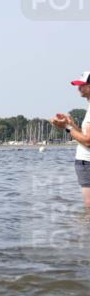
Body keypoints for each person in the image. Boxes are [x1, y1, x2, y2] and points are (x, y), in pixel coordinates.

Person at [51, 70, 90, 208]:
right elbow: (84, 136)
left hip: (87, 162)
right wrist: (71, 124)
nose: (78, 88)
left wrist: (66, 127)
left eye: (82, 85)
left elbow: (88, 142)